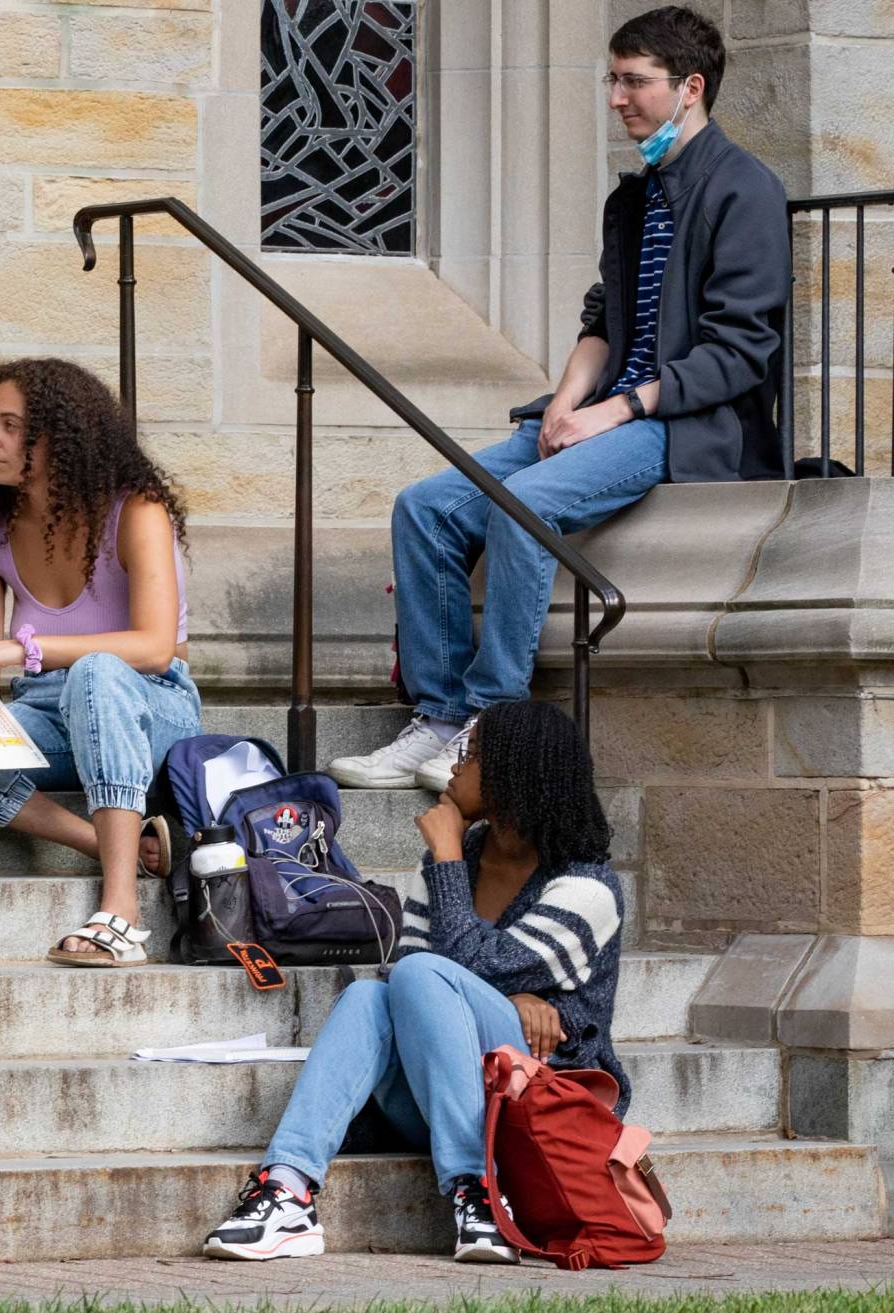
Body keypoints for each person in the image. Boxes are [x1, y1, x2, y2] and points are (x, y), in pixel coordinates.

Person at [331, 6, 789, 793]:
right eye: (613, 79)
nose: (616, 98)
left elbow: (740, 353)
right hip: (609, 407)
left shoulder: (745, 190)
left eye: (634, 81)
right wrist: (565, 404)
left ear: (690, 88)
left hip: (684, 423)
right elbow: (602, 321)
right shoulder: (634, 198)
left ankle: (491, 726)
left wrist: (615, 410)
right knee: (425, 508)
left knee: (523, 507)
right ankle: (438, 716)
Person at [203, 700, 623, 1265]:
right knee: (369, 995)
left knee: (420, 975)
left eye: (470, 755)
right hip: (443, 1095)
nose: (453, 767)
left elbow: (457, 966)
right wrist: (509, 992)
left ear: (513, 773)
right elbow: (415, 975)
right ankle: (288, 1189)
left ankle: (481, 1191)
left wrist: (446, 859)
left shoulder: (587, 887)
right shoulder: (461, 857)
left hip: (537, 1113)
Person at [0, 358, 201, 967]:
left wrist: (26, 649)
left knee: (96, 672)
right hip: (48, 713)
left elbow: (155, 648)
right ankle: (101, 842)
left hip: (150, 707)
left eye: (11, 426)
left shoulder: (137, 510)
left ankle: (122, 910)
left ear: (64, 439)